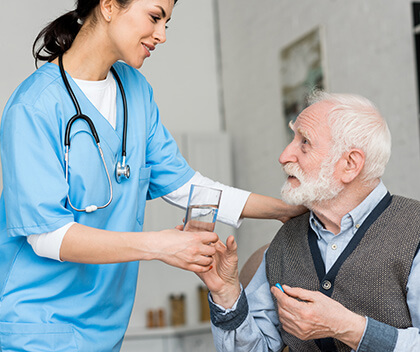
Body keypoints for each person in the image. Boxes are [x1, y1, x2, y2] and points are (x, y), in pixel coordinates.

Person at [0, 1, 304, 351]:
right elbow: (48, 236)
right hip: (36, 327)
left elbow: (188, 187)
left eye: (167, 24)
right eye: (155, 17)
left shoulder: (135, 91)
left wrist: (284, 211)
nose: (161, 35)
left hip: (103, 327)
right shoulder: (34, 106)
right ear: (110, 6)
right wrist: (159, 246)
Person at [200, 91, 420, 352]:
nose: (284, 156)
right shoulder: (285, 241)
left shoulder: (414, 229)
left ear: (350, 164)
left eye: (304, 142)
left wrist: (348, 328)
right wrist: (226, 294)